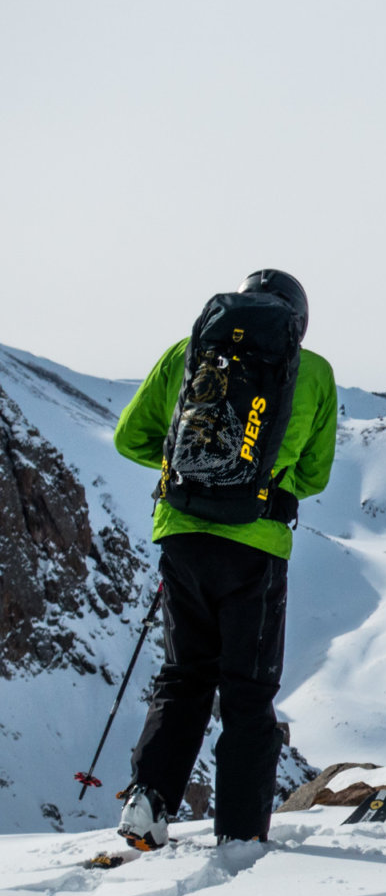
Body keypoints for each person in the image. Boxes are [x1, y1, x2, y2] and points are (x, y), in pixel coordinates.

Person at [110, 270, 337, 850]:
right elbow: (315, 473)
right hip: (255, 546)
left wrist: (190, 476)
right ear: (297, 322)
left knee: (183, 676)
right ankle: (239, 835)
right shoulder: (312, 371)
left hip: (180, 536)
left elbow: (129, 439)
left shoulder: (187, 354)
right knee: (247, 690)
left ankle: (148, 801)